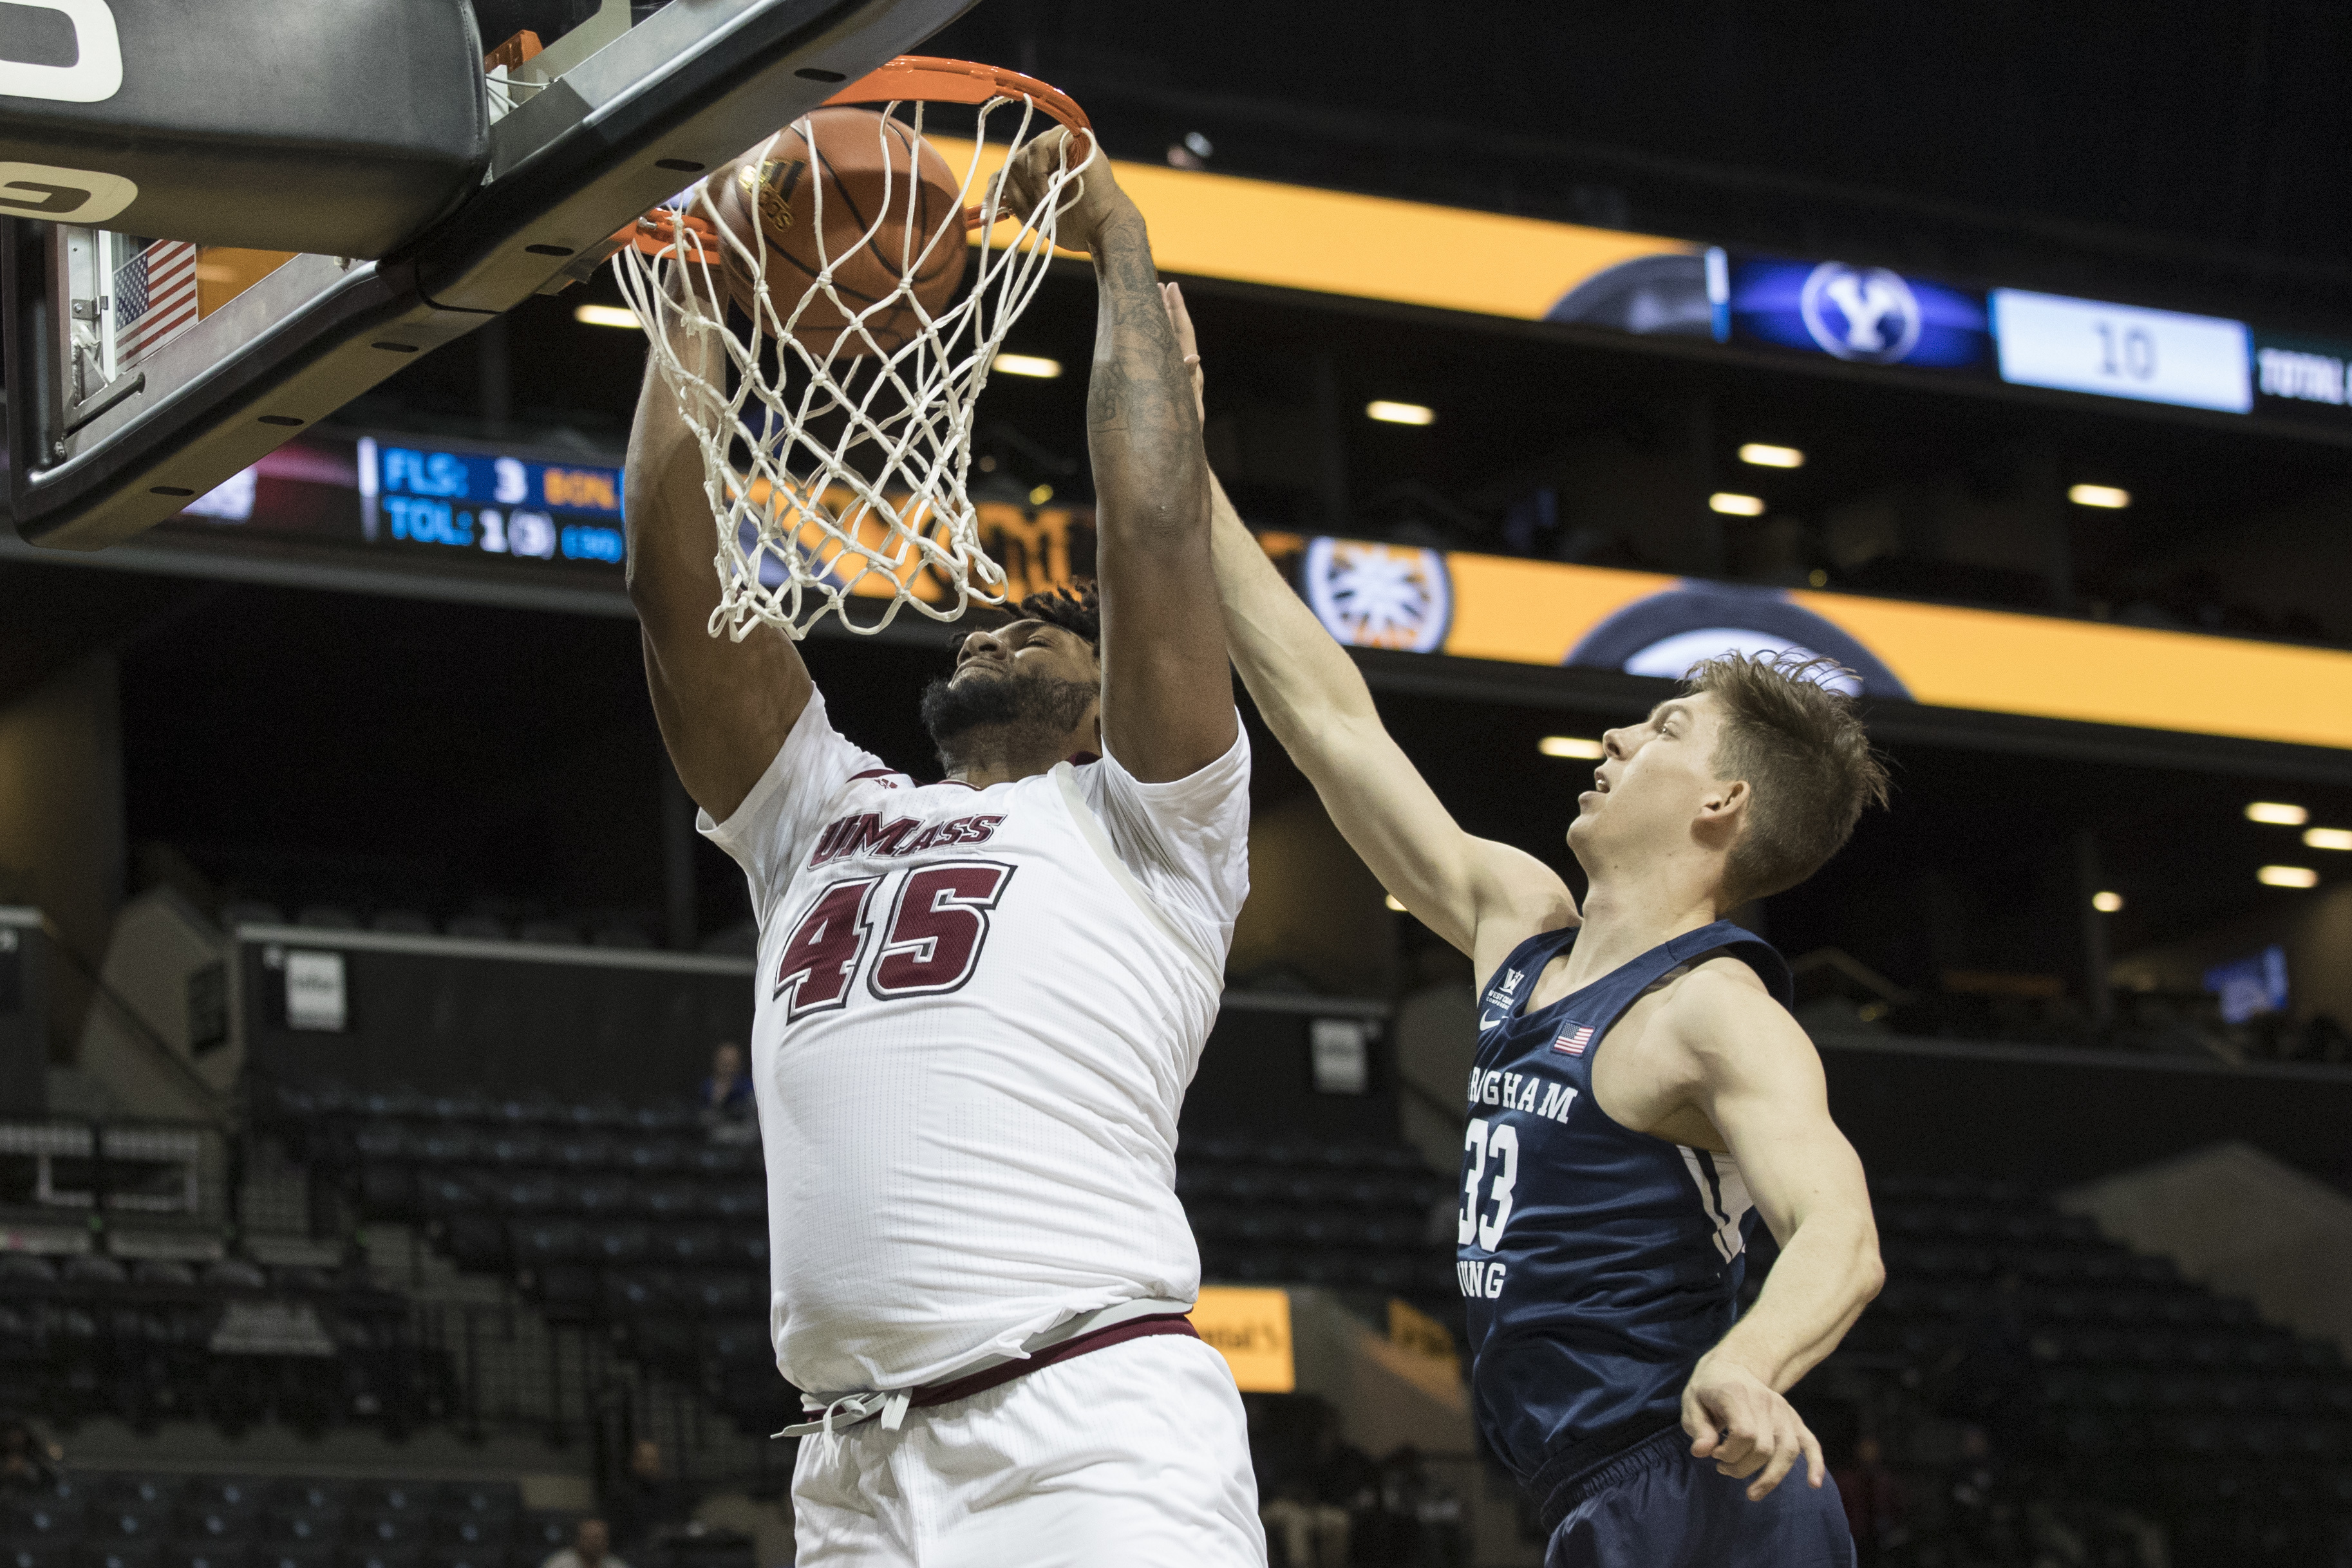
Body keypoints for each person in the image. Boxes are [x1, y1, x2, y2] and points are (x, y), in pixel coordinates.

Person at [622, 128, 1263, 1564]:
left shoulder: (1151, 826)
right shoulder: (818, 817)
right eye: (993, 616)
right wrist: (700, 288)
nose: (998, 622)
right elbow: (677, 581)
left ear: (1113, 718)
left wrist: (1112, 238)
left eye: (1052, 630)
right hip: (849, 1467)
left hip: (1081, 1433)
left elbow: (1155, 531)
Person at [1184, 291, 1885, 1567]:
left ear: (1722, 806)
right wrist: (1188, 480)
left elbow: (1837, 1227)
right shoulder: (1519, 925)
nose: (1616, 737)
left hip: (1697, 1486)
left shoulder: (1712, 1012)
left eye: (1665, 729)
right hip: (1586, 1496)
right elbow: (1332, 726)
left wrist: (1751, 1358)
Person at [607, 1438, 695, 1553]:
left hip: (671, 1553)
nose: (653, 1465)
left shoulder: (671, 1492)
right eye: (648, 1460)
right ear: (635, 1463)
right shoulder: (624, 1495)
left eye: (655, 1460)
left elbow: (682, 1524)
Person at [698, 1041, 756, 1143]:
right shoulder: (707, 1087)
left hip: (744, 1141)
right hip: (715, 1141)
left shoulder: (749, 1087)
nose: (728, 1069)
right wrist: (718, 1099)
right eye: (724, 1064)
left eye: (732, 1064)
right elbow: (703, 1120)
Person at [540, 1518, 629, 1568]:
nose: (594, 1543)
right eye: (589, 1538)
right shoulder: (559, 1564)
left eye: (598, 1538)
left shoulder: (616, 1565)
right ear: (578, 1540)